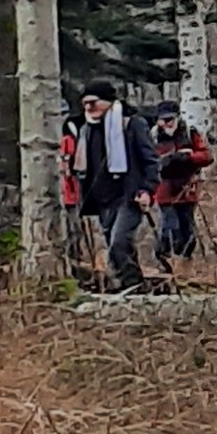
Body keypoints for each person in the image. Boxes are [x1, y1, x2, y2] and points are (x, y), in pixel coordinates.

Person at [70, 83, 155, 294]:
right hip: (102, 200)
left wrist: (146, 189)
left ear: (108, 102)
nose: (89, 108)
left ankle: (133, 287)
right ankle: (134, 287)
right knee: (117, 247)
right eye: (85, 104)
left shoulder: (132, 124)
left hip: (129, 196)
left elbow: (151, 160)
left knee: (119, 243)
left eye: (93, 102)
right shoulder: (85, 129)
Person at [151, 104, 212, 272]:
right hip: (164, 189)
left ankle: (184, 266)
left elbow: (206, 156)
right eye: (163, 120)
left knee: (188, 231)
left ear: (178, 118)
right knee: (170, 228)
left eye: (170, 119)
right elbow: (148, 160)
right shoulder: (153, 137)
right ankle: (165, 262)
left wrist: (189, 157)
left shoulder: (190, 134)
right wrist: (165, 161)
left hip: (187, 189)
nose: (167, 123)